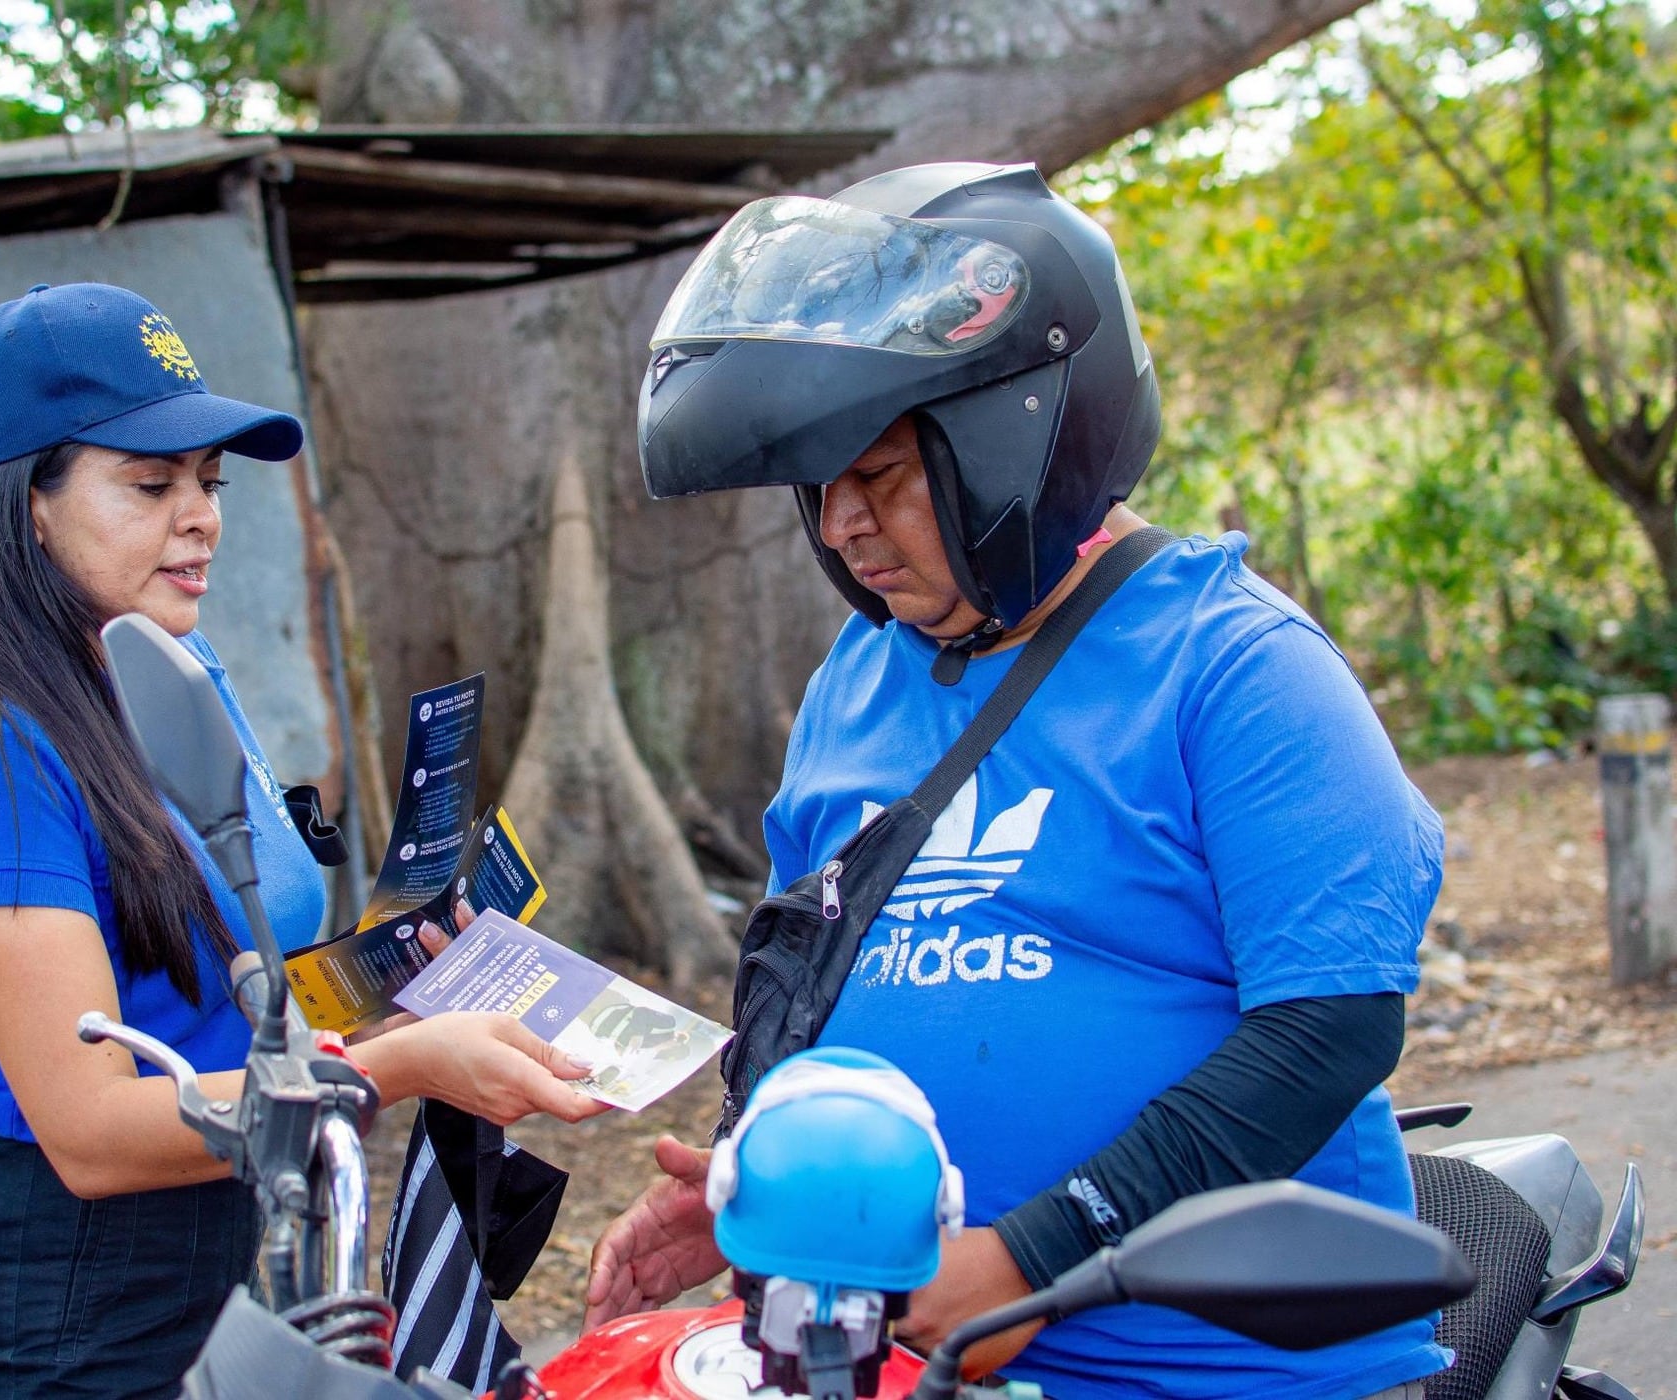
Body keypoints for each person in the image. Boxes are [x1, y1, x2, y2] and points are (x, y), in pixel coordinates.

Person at [584, 165, 1448, 1400]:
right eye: (818, 490)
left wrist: (1030, 1257)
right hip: (904, 1363)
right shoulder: (855, 683)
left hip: (1231, 1373)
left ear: (1018, 437)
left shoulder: (1234, 662)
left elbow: (1328, 1028)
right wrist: (757, 1178)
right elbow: (807, 981)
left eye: (877, 475)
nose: (839, 528)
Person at [0, 282, 604, 1399]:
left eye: (209, 483)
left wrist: (402, 974)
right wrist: (397, 1065)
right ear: (26, 502)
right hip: (56, 1282)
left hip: (238, 1220)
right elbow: (92, 1127)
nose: (204, 515)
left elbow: (243, 987)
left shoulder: (170, 665)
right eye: (151, 483)